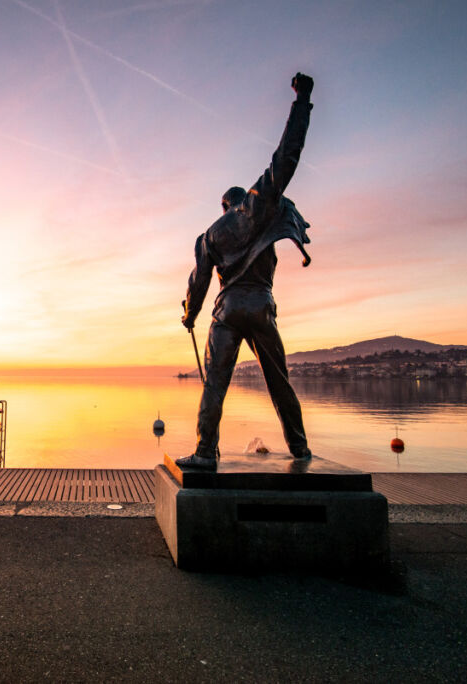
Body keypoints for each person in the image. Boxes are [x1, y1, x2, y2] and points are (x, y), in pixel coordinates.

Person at [177, 73, 315, 471]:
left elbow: (198, 284)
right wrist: (302, 100)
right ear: (244, 201)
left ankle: (205, 451)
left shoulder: (209, 236)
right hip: (261, 306)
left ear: (223, 207)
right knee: (279, 382)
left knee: (215, 385)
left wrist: (188, 315)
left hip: (227, 310)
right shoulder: (261, 208)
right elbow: (286, 156)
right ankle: (300, 448)